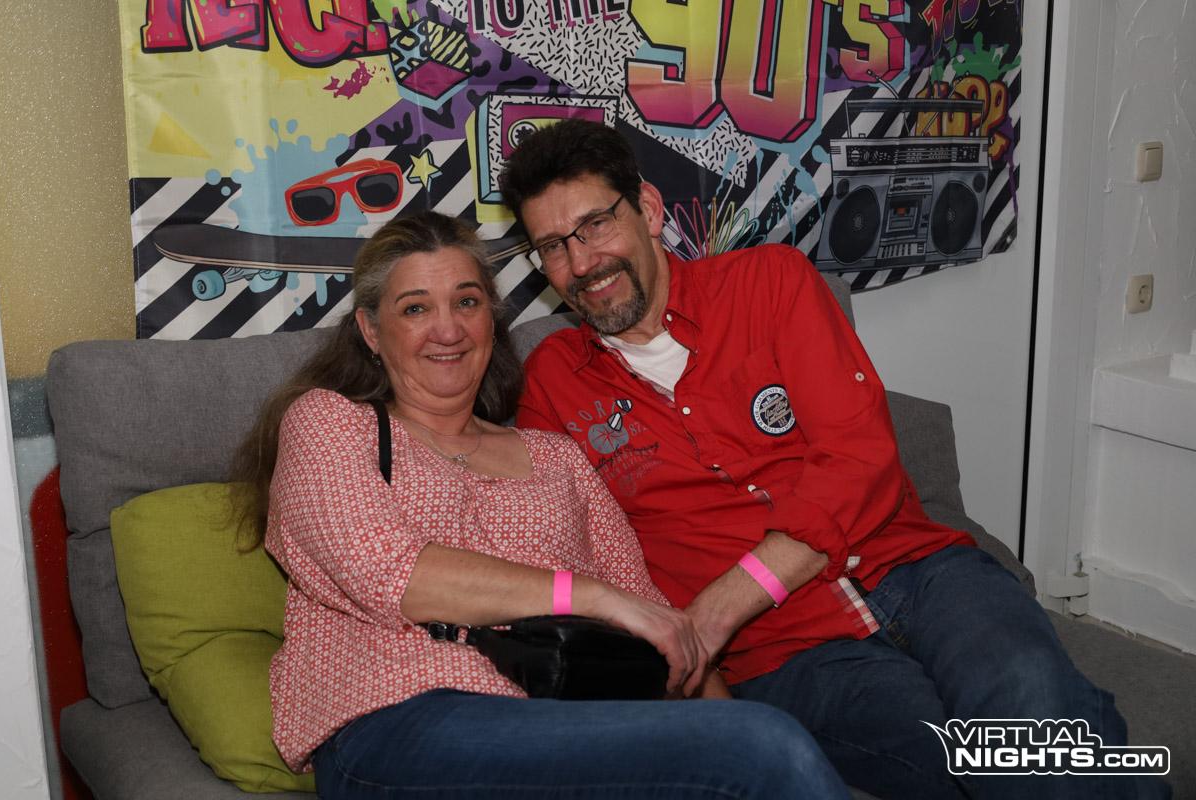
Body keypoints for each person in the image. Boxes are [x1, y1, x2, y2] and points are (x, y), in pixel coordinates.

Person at [501, 119, 1167, 800]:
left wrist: (721, 605)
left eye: (595, 226)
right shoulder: (553, 382)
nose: (582, 263)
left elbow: (858, 457)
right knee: (964, 760)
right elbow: (549, 538)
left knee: (1028, 695)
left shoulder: (769, 282)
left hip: (917, 569)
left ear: (646, 209)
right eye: (552, 246)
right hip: (786, 652)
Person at [230, 211, 849, 799]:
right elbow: (392, 573)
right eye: (415, 308)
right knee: (762, 747)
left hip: (562, 720)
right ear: (371, 330)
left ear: (491, 319)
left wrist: (725, 716)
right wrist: (590, 596)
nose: (448, 330)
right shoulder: (331, 425)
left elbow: (655, 620)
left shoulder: (556, 456)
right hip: (403, 721)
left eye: (467, 302)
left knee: (762, 740)